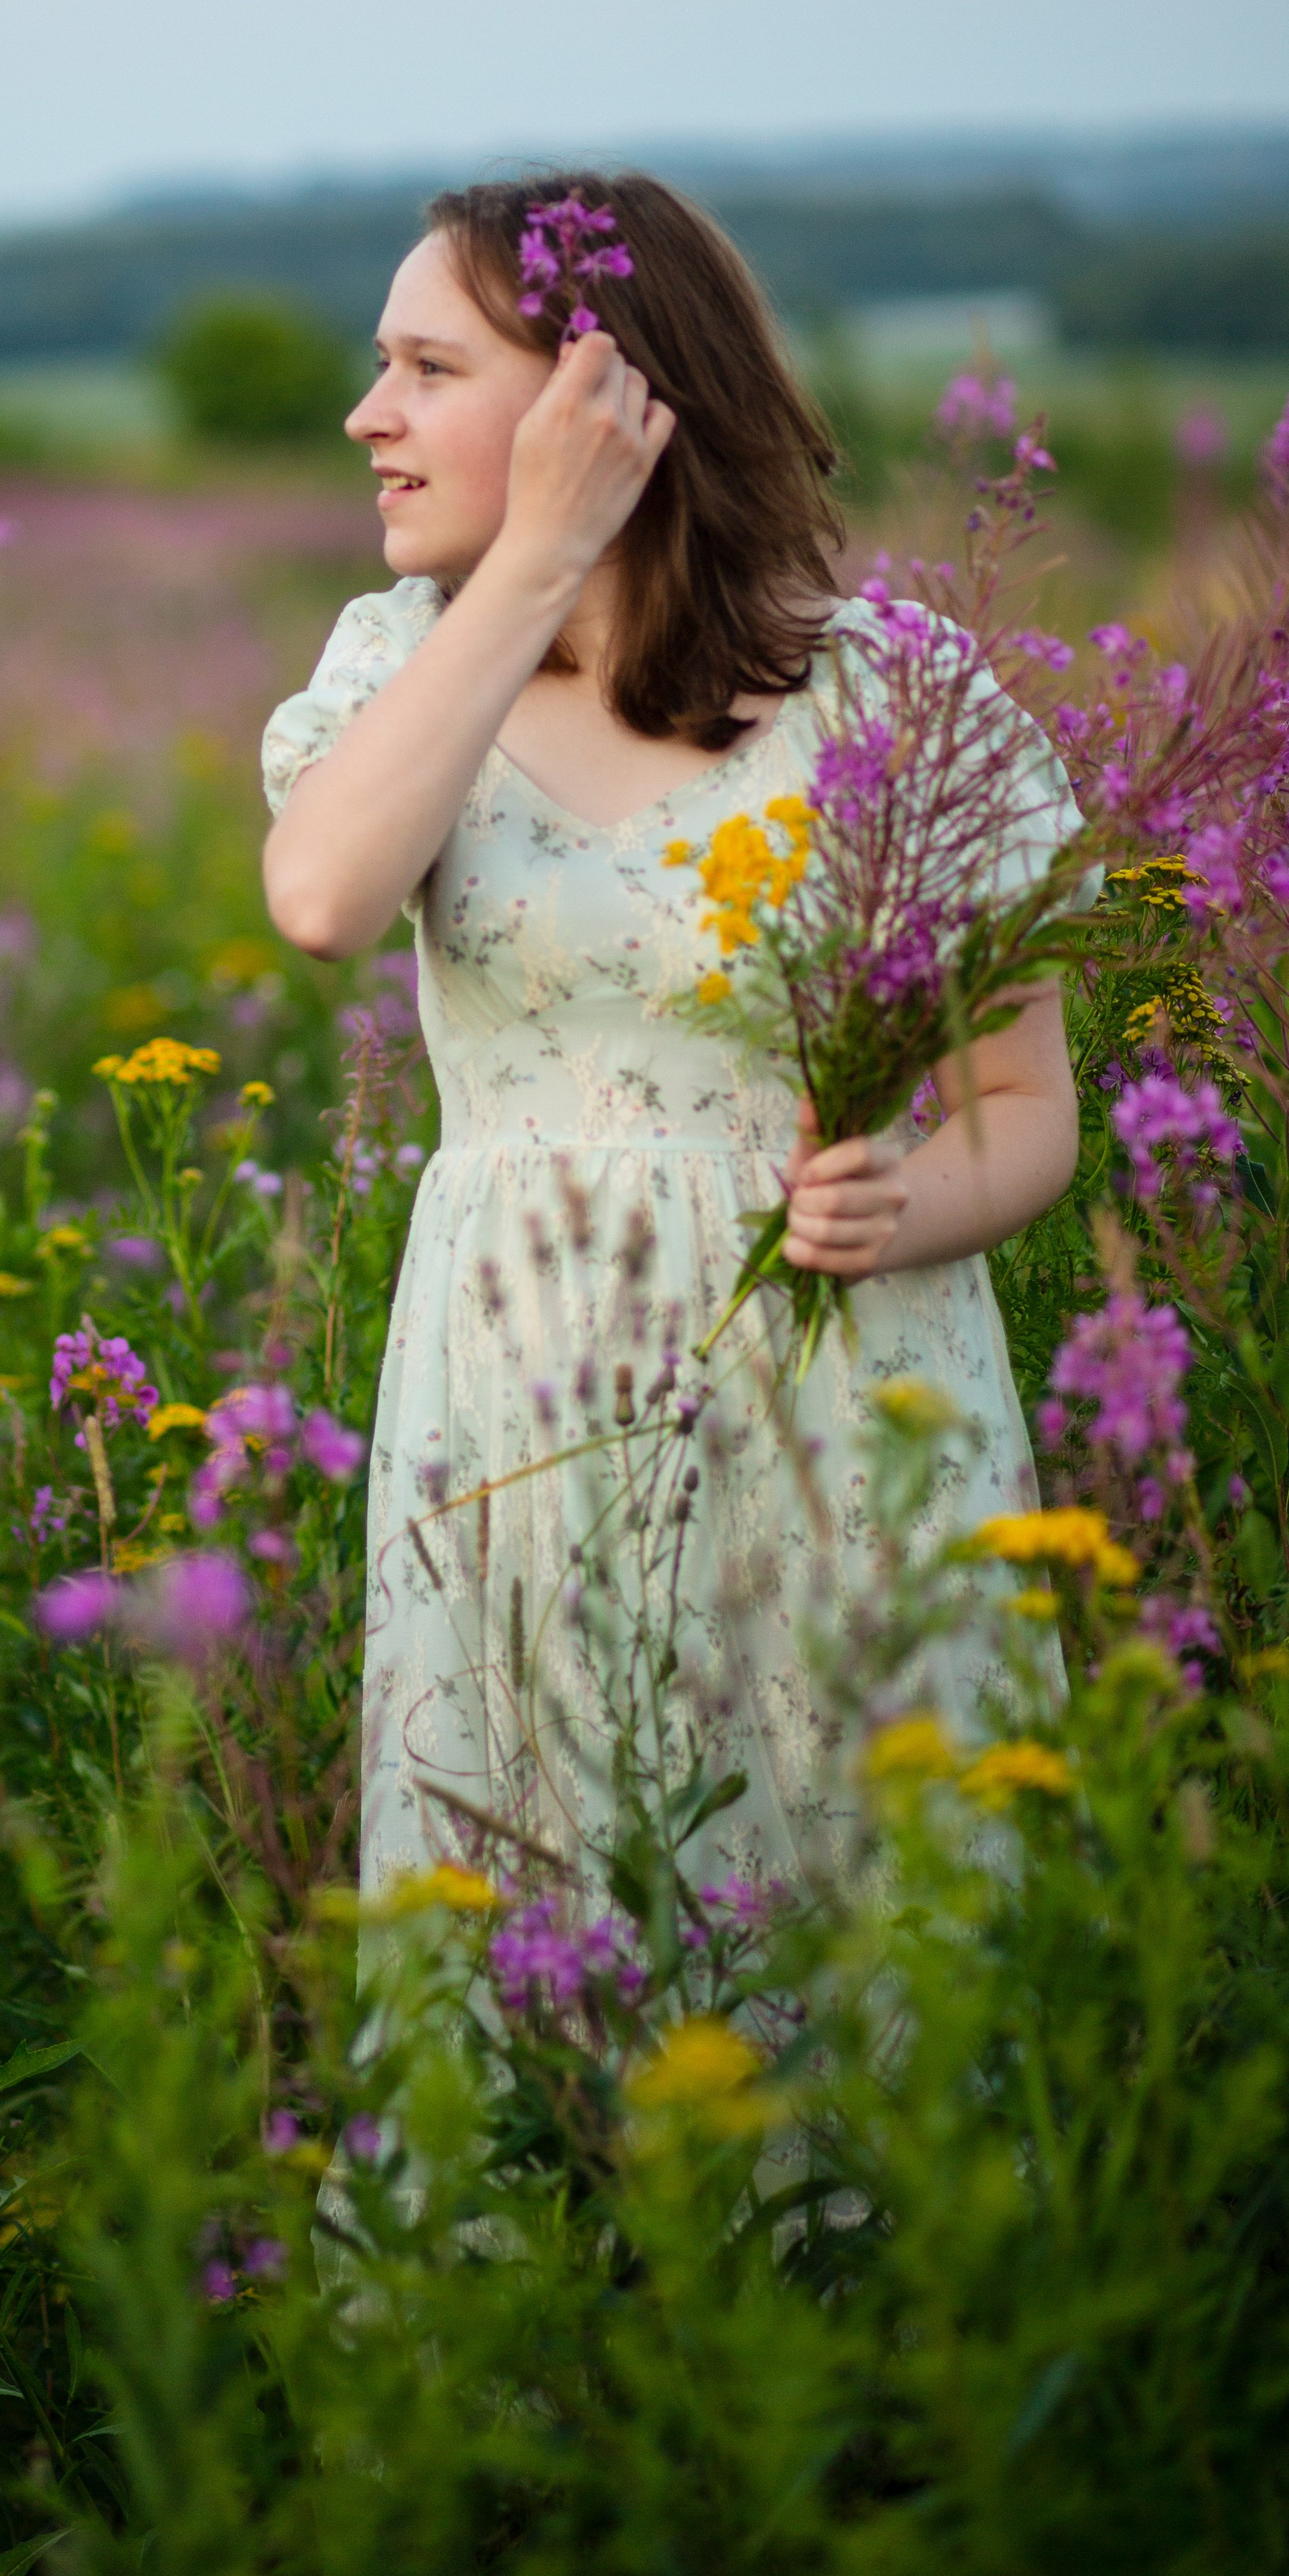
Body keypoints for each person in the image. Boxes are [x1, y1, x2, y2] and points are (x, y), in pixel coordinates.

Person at [260, 173, 1081, 1907]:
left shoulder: (896, 697)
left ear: (607, 399)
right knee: (544, 1932)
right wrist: (543, 553)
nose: (367, 414)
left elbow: (1021, 1107)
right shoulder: (398, 675)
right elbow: (325, 898)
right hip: (516, 1411)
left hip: (843, 1417)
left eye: (422, 366)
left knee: (864, 1948)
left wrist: (905, 1205)